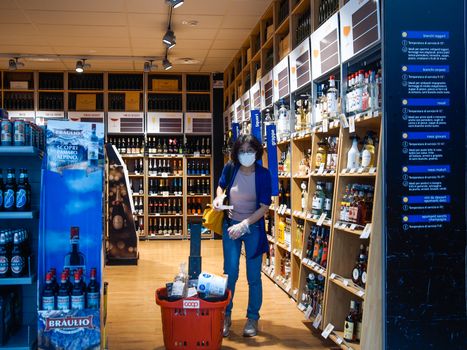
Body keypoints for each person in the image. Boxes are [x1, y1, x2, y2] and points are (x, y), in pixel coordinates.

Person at [213, 134, 272, 337]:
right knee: (230, 273)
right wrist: (219, 198)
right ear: (236, 153)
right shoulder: (231, 168)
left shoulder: (264, 174)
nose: (246, 154)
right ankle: (226, 316)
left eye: (250, 150)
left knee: (253, 276)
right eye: (242, 151)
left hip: (253, 227)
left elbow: (265, 206)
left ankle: (252, 318)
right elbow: (221, 186)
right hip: (231, 225)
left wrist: (246, 223)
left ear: (257, 152)